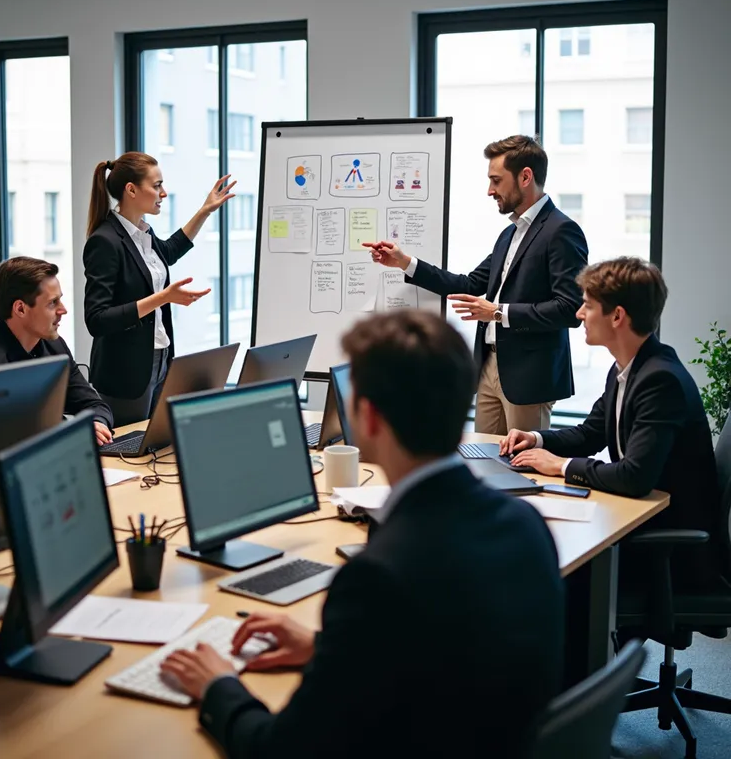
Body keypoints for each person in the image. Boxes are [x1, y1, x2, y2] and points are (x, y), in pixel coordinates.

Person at [161, 310, 565, 758]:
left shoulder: (378, 578)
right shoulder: (525, 525)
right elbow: (445, 657)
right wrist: (324, 650)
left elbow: (280, 750)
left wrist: (218, 686)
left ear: (368, 418)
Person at [502, 257, 722, 581]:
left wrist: (560, 466)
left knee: (546, 560)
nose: (579, 314)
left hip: (670, 551)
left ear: (617, 315)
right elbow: (591, 434)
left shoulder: (660, 380)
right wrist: (537, 439)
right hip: (641, 521)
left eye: (587, 306)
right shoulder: (627, 368)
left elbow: (634, 477)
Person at [364, 135, 588, 435]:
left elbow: (570, 309)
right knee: (482, 460)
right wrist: (404, 262)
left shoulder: (561, 231)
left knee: (523, 469)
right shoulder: (509, 235)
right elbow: (469, 283)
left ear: (525, 177)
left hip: (529, 378)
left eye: (496, 180)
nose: (490, 190)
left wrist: (498, 312)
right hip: (489, 368)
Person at [83, 152, 235, 426]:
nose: (163, 193)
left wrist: (204, 210)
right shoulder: (104, 241)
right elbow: (96, 319)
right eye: (156, 186)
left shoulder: (143, 233)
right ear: (131, 190)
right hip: (125, 373)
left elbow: (170, 250)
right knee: (129, 452)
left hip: (160, 358)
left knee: (155, 447)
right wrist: (162, 298)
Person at [0, 257, 113, 445]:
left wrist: (96, 423)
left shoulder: (55, 346)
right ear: (20, 308)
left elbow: (94, 404)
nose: (63, 310)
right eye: (53, 303)